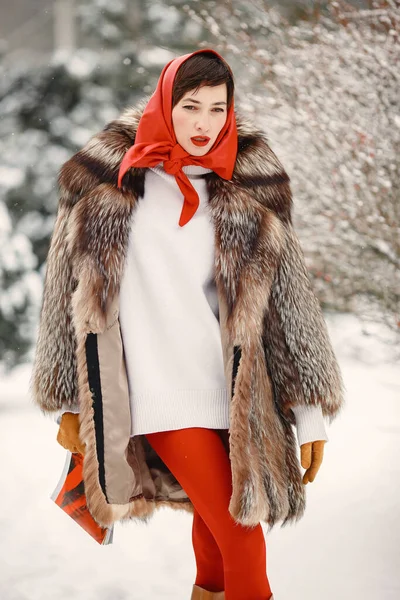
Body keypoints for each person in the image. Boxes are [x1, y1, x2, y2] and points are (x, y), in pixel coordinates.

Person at [30, 48, 345, 600]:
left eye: (218, 108)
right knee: (243, 536)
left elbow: (286, 305)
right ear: (164, 102)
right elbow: (63, 295)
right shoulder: (108, 180)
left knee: (217, 550)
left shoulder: (249, 183)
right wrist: (69, 402)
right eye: (190, 106)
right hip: (157, 392)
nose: (204, 124)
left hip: (233, 393)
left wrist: (310, 411)